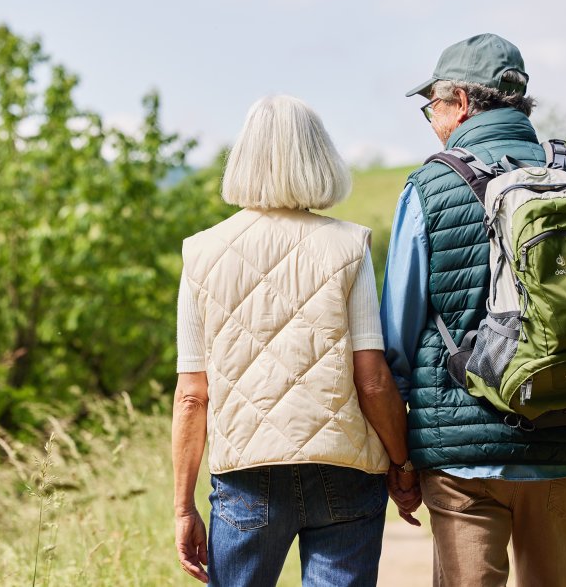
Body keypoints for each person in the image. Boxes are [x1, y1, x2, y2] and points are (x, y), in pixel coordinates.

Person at [381, 34, 566, 586]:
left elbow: (397, 338)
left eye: (433, 106)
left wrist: (403, 453)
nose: (432, 120)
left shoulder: (430, 186)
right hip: (563, 434)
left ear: (460, 101)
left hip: (461, 459)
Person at [171, 95, 420, 586]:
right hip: (345, 467)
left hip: (245, 476)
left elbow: (191, 395)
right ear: (319, 157)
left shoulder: (200, 254)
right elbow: (371, 379)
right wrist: (402, 462)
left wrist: (183, 506)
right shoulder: (350, 245)